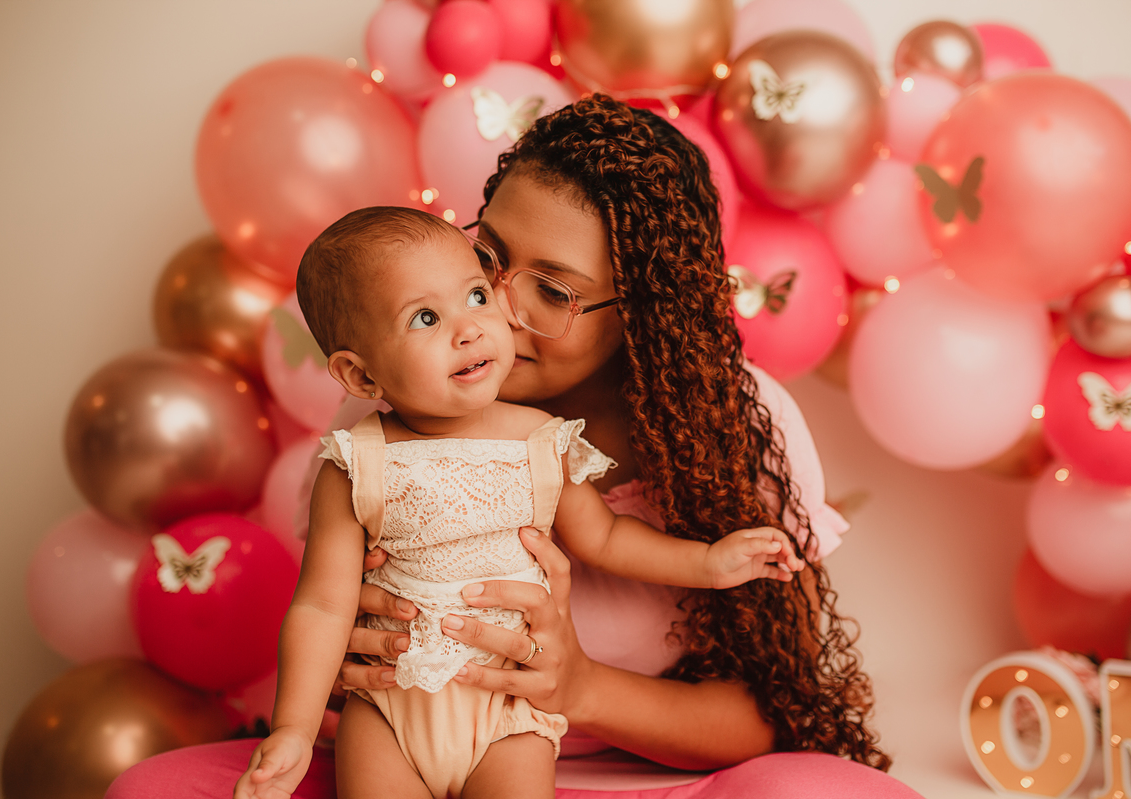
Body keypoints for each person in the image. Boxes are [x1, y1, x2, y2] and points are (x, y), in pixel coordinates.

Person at [108, 94, 915, 799]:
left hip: (629, 776)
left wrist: (582, 686)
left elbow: (777, 713)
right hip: (402, 754)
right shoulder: (396, 403)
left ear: (642, 313)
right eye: (488, 255)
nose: (490, 305)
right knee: (150, 788)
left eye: (555, 290)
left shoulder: (737, 425)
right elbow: (326, 613)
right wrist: (335, 686)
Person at [236, 205, 804, 799]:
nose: (470, 328)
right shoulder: (356, 462)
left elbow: (604, 537)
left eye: (477, 296)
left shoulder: (540, 438)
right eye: (425, 317)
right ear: (360, 376)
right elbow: (324, 606)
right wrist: (294, 729)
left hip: (508, 710)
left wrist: (709, 563)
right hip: (386, 709)